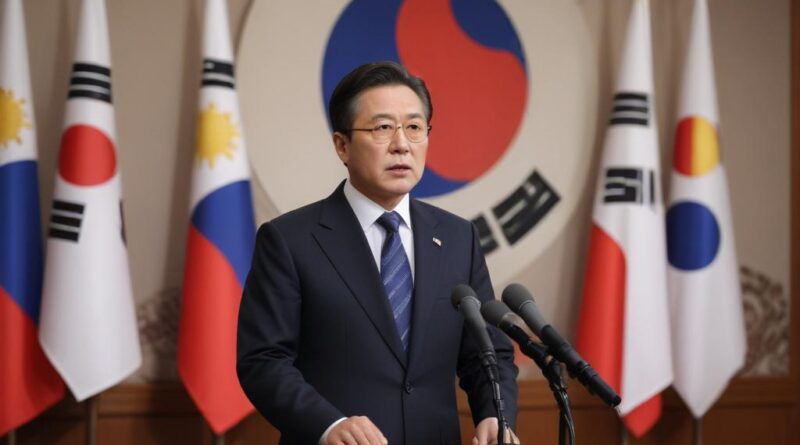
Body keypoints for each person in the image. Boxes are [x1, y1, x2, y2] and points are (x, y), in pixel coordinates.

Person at [237, 61, 519, 445]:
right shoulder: (290, 240)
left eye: (414, 128)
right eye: (383, 128)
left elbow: (487, 354)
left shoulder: (457, 237)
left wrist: (494, 415)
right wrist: (328, 425)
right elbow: (263, 360)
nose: (401, 144)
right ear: (342, 145)